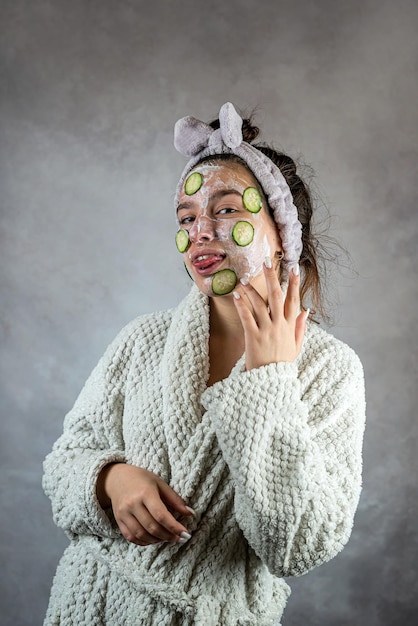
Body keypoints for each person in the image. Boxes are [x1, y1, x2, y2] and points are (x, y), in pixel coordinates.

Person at [42, 102, 366, 626]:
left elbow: (300, 547)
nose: (200, 231)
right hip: (94, 606)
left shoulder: (331, 372)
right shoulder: (142, 341)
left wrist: (269, 383)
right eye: (187, 218)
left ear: (283, 230)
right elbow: (64, 462)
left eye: (227, 210)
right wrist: (109, 481)